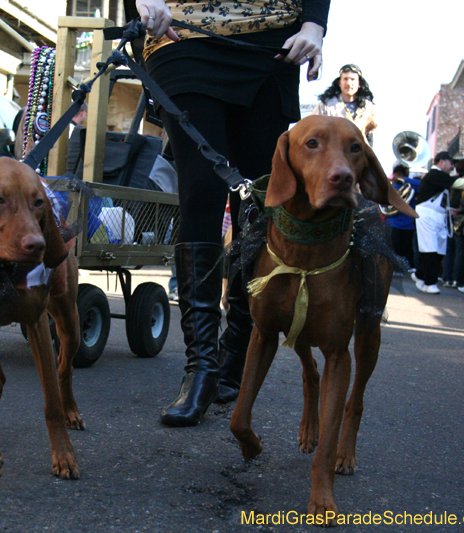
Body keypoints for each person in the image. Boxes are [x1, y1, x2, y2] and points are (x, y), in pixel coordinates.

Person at [136, 0, 330, 426]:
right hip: (183, 33)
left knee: (257, 200)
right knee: (202, 190)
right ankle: (200, 367)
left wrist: (315, 24)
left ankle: (236, 354)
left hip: (271, 40)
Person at [412, 152, 464, 294]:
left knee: (439, 250)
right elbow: (459, 183)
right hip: (428, 216)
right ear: (442, 162)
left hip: (437, 215)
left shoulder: (437, 178)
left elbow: (436, 198)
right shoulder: (435, 174)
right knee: (431, 249)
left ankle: (421, 275)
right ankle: (430, 282)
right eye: (451, 163)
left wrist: (447, 210)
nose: (453, 167)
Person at [312, 63, 376, 144]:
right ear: (339, 83)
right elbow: (312, 129)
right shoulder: (326, 105)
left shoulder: (368, 107)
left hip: (358, 152)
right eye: (345, 79)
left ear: (359, 83)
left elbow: (369, 135)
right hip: (334, 151)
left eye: (352, 79)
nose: (349, 83)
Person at [385, 164, 418, 270]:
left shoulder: (409, 186)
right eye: (397, 174)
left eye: (401, 175)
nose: (398, 176)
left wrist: (406, 179)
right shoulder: (389, 187)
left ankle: (402, 268)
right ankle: (392, 268)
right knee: (392, 247)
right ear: (393, 175)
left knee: (405, 249)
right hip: (393, 223)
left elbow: (421, 185)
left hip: (407, 224)